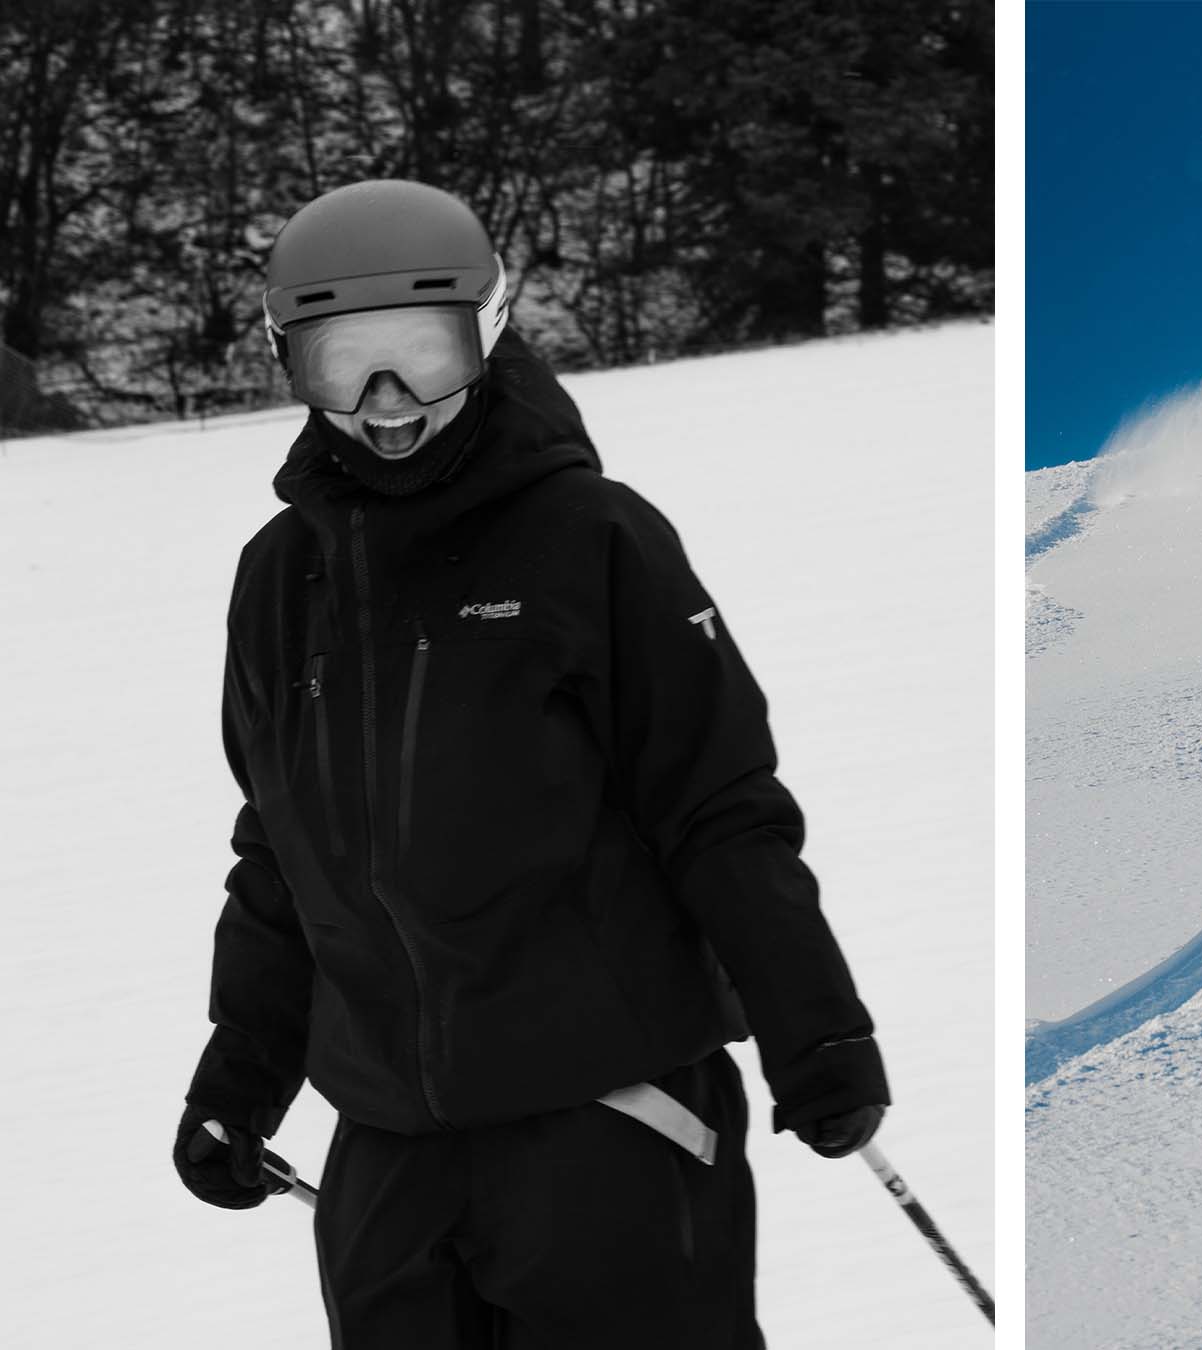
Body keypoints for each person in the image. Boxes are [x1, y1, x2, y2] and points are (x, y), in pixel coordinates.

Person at [172, 178, 889, 1347]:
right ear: (287, 364)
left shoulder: (595, 541)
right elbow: (282, 852)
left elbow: (718, 806)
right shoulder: (276, 580)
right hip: (390, 1151)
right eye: (342, 364)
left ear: (490, 334)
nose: (387, 402)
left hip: (610, 1120)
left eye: (424, 354)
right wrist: (237, 1077)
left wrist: (816, 1029)